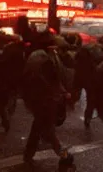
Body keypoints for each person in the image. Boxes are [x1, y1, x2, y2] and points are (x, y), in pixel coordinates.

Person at [21, 31, 74, 169]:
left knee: (38, 127)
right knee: (48, 130)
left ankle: (28, 155)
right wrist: (62, 93)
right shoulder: (45, 59)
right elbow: (52, 79)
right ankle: (64, 155)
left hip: (37, 99)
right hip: (46, 99)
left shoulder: (36, 56)